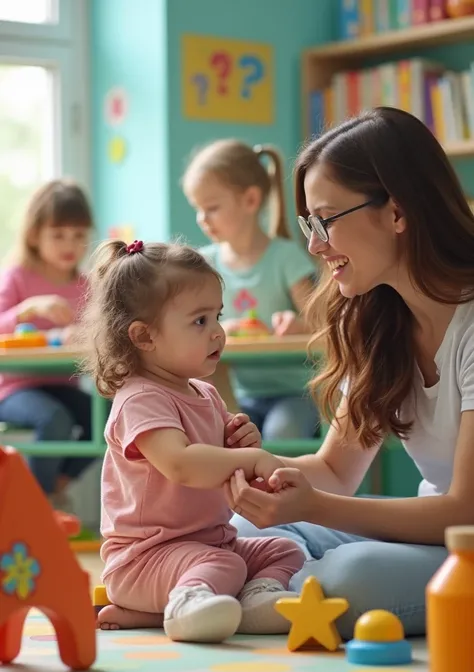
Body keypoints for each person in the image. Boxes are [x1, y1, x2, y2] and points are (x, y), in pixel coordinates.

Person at [227, 107, 474, 640]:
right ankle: (259, 587)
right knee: (235, 528)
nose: (315, 245)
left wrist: (312, 506)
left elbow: (465, 512)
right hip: (435, 536)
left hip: (467, 543)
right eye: (308, 224)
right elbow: (336, 472)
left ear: (397, 212)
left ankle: (253, 589)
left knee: (350, 576)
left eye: (327, 220)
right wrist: (244, 469)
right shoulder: (381, 324)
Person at [79, 238, 305, 642]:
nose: (218, 332)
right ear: (144, 337)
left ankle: (253, 601)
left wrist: (241, 445)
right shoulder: (140, 398)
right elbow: (182, 464)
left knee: (284, 550)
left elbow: (220, 464)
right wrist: (252, 459)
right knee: (226, 567)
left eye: (217, 316)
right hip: (143, 560)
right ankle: (185, 609)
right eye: (200, 321)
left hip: (209, 546)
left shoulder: (206, 393)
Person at [183, 139, 319, 440]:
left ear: (250, 200)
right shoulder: (204, 264)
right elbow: (187, 325)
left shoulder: (287, 258)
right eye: (198, 209)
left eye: (212, 208)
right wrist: (214, 328)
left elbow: (323, 325)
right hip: (234, 393)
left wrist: (299, 325)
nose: (202, 219)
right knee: (220, 438)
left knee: (280, 434)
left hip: (296, 393)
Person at [0, 179, 94, 509]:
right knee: (55, 420)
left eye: (79, 235)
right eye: (58, 235)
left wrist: (83, 334)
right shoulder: (17, 277)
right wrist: (28, 309)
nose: (70, 244)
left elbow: (99, 332)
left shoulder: (85, 284)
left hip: (62, 384)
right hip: (14, 389)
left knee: (113, 416)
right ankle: (36, 505)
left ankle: (54, 486)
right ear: (34, 235)